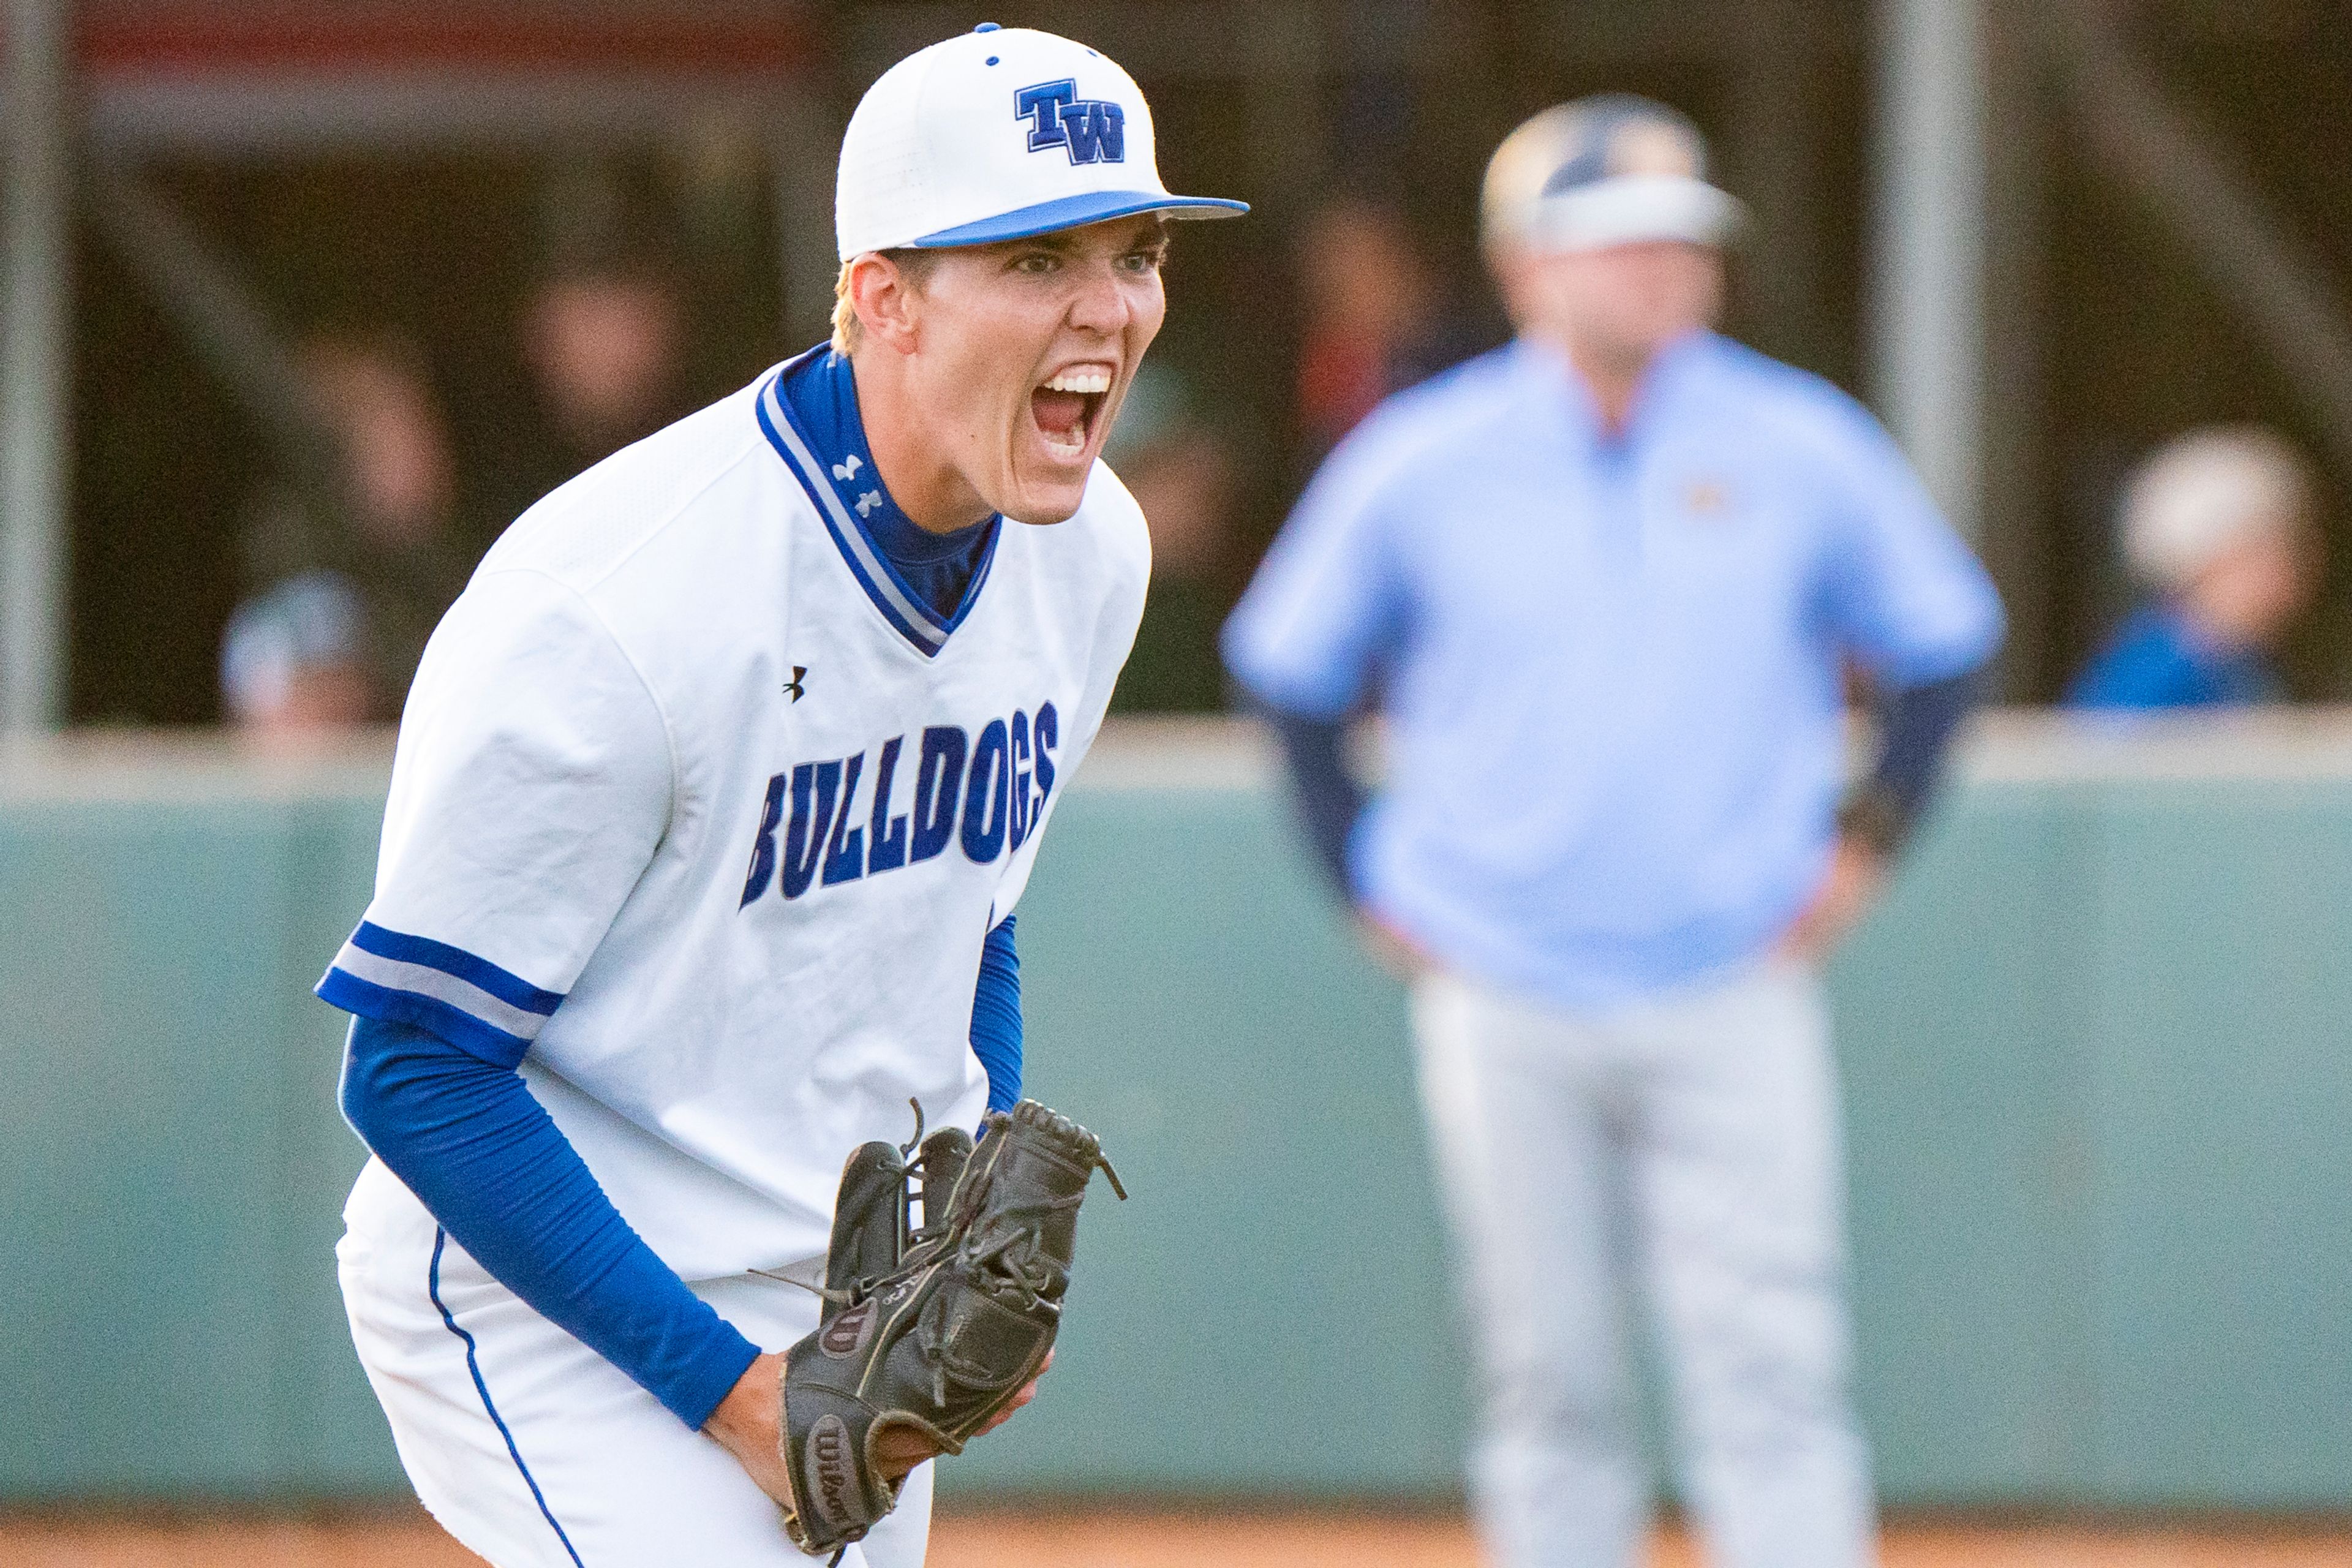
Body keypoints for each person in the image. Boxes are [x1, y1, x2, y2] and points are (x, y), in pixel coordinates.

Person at [315, 26, 1242, 1566]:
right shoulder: (616, 602)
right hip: (545, 1292)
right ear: (883, 296)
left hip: (825, 1290)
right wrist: (731, 1390)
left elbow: (972, 922)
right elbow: (412, 1063)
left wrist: (954, 1216)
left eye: (1134, 251)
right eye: (1035, 258)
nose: (1109, 305)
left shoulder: (1092, 553)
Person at [1223, 97, 2002, 1568]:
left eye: (1681, 243)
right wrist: (1362, 876)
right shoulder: (1424, 453)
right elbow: (1290, 669)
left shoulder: (1794, 435)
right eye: (1621, 244)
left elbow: (1944, 643)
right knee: (1544, 1374)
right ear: (1527, 264)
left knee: (1771, 1367)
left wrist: (1866, 839)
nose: (1664, 270)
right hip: (1501, 973)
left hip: (1728, 965)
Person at [220, 331, 478, 733]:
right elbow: (299, 728)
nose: (426, 451)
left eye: (423, 424)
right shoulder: (299, 556)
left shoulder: (447, 557)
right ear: (345, 452)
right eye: (394, 432)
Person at [2068, 426, 2320, 709]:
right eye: (2270, 552)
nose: (2294, 570)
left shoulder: (2239, 665)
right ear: (2217, 559)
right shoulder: (2155, 668)